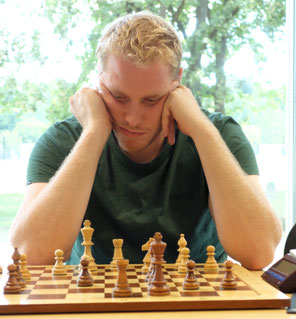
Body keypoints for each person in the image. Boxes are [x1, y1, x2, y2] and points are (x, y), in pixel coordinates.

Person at [10, 11, 282, 269]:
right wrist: (94, 132)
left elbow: (259, 252)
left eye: (152, 100)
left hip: (194, 306)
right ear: (98, 80)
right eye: (118, 97)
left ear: (178, 82)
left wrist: (200, 127)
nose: (133, 118)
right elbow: (30, 254)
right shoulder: (63, 140)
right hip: (92, 305)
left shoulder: (219, 134)